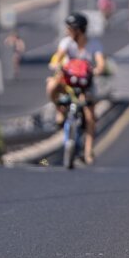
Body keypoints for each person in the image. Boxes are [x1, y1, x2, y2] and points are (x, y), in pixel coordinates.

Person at [46, 12, 106, 164]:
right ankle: (60, 111)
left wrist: (98, 69)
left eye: (70, 29)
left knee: (90, 117)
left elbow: (100, 62)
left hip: (86, 85)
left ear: (79, 30)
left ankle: (88, 151)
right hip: (68, 83)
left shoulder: (94, 45)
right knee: (51, 85)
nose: (68, 32)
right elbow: (58, 56)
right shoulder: (67, 43)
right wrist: (56, 64)